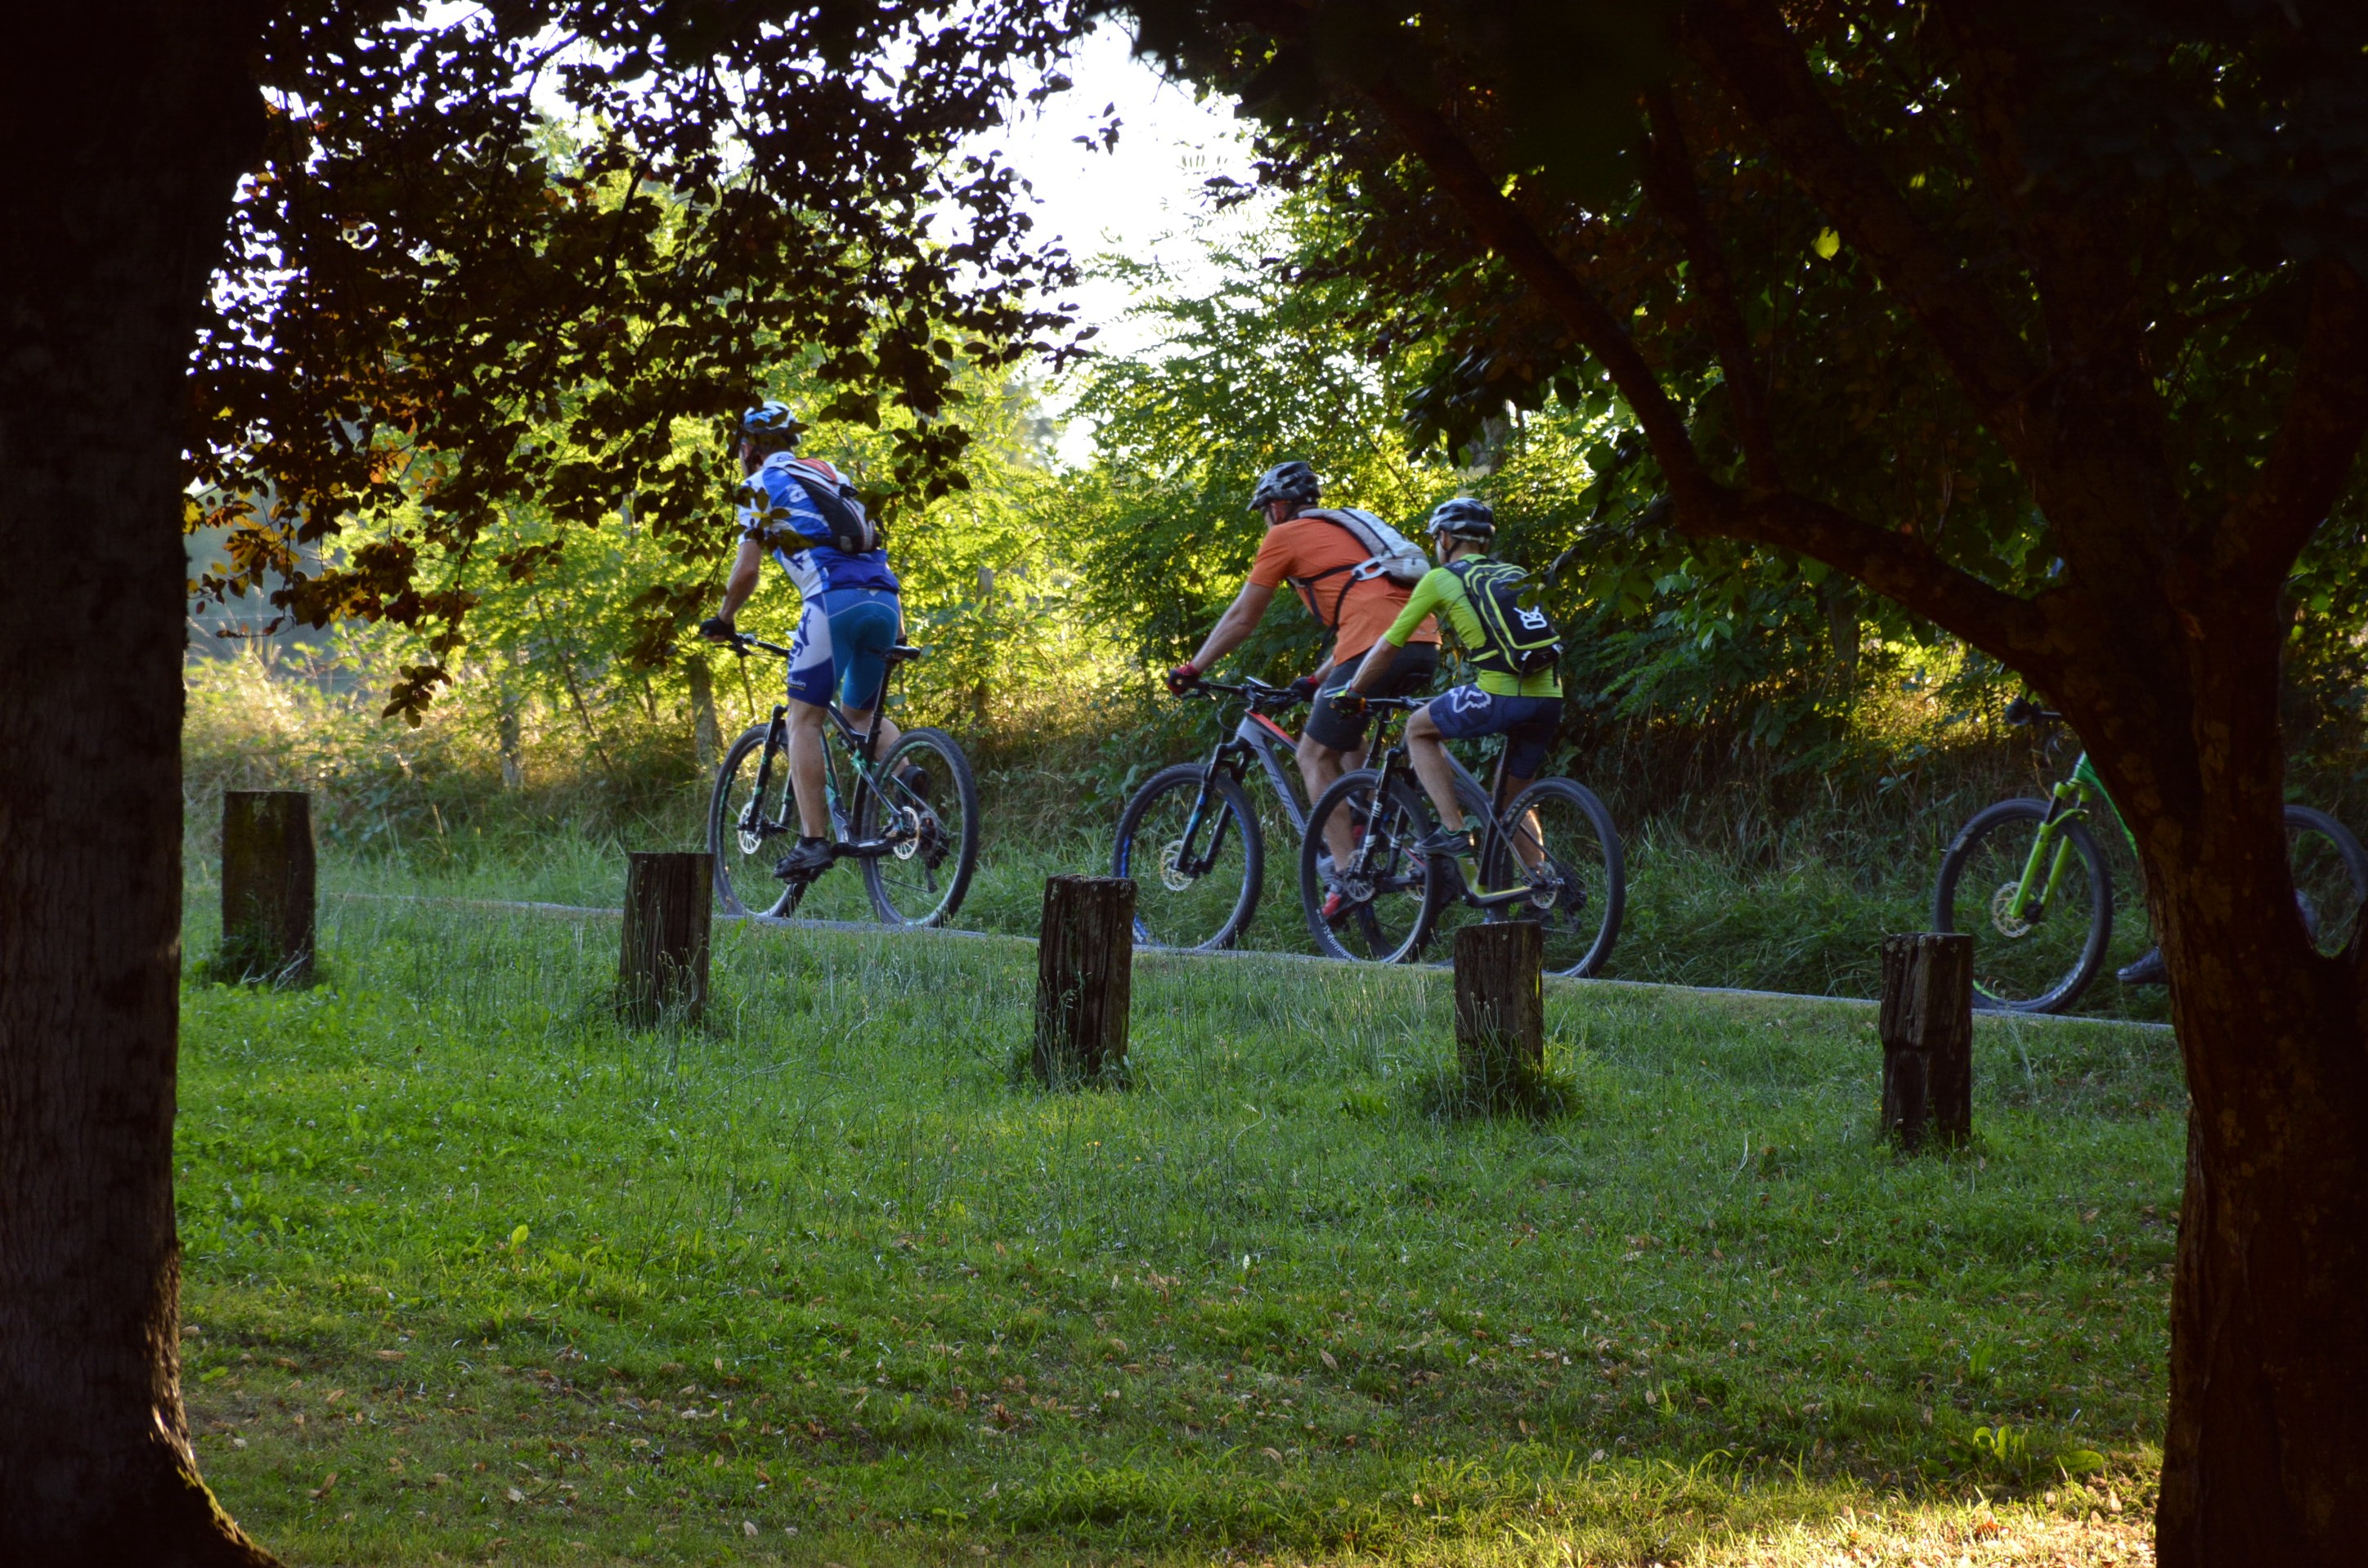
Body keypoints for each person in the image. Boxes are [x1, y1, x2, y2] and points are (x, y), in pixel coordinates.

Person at [1164, 460, 1442, 866]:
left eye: (1264, 512)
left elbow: (1243, 617)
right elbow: (1370, 620)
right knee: (1343, 729)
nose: (1266, 521)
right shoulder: (1348, 530)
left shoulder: (1285, 536)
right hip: (1422, 642)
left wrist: (1193, 668)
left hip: (1373, 645)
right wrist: (1316, 679)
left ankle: (1346, 873)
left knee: (1313, 755)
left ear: (1277, 508)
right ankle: (1373, 820)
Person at [701, 401, 902, 883]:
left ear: (748, 448)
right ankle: (913, 805)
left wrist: (725, 619)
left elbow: (746, 570)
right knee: (862, 716)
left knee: (803, 721)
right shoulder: (829, 472)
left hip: (831, 601)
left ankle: (813, 841)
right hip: (886, 601)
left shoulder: (757, 487)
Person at [1329, 497, 1562, 885]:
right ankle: (1544, 884)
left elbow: (1388, 646)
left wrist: (1352, 692)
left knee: (1419, 729)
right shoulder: (1517, 573)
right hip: (1550, 699)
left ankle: (1454, 832)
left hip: (1500, 696)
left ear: (1445, 537)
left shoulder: (1442, 579)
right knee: (1513, 802)